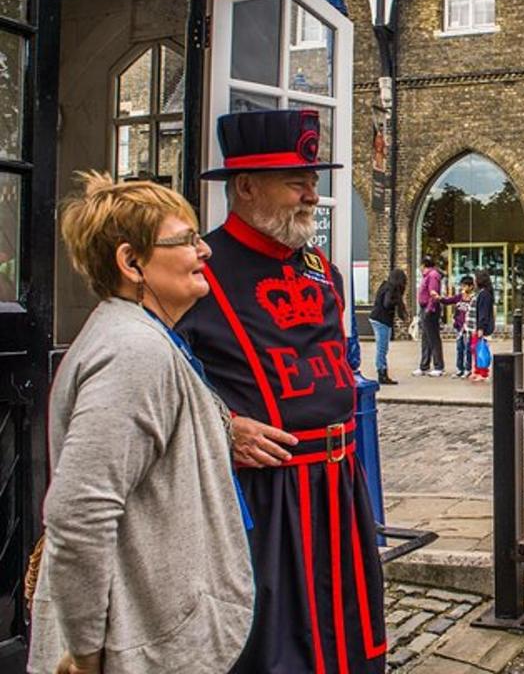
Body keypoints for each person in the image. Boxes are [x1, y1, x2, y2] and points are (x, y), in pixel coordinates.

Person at [175, 109, 387, 673]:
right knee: (276, 646)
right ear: (246, 186)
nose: (311, 196)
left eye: (313, 182)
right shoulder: (200, 273)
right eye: (297, 182)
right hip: (266, 498)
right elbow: (162, 381)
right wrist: (223, 428)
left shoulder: (321, 270)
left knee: (352, 635)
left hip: (340, 485)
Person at [30, 173, 253, 674]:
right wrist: (86, 654)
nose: (205, 251)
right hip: (129, 651)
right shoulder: (134, 350)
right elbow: (78, 513)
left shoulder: (140, 336)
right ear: (131, 262)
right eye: (186, 240)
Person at [368, 267, 406, 384]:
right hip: (381, 320)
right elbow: (387, 303)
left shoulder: (385, 285)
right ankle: (382, 373)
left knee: (382, 347)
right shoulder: (391, 288)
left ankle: (382, 371)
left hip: (377, 318)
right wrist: (397, 302)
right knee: (382, 348)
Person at [414, 255, 445, 377]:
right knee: (426, 338)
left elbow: (433, 294)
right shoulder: (428, 276)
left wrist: (429, 309)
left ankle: (438, 366)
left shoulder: (432, 276)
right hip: (425, 308)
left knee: (433, 337)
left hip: (429, 309)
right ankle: (424, 365)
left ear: (424, 265)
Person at [440, 274, 475, 378]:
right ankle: (460, 369)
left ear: (471, 287)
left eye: (465, 286)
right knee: (460, 348)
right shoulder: (459, 297)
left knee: (468, 349)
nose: (463, 288)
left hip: (468, 327)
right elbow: (448, 301)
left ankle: (468, 369)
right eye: (462, 286)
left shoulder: (473, 299)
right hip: (459, 327)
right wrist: (439, 298)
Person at [469, 269, 495, 382]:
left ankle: (483, 372)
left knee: (480, 350)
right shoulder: (482, 293)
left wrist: (481, 328)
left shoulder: (484, 294)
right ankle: (477, 370)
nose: (474, 281)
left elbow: (483, 312)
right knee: (475, 349)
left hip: (479, 327)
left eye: (475, 279)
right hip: (475, 326)